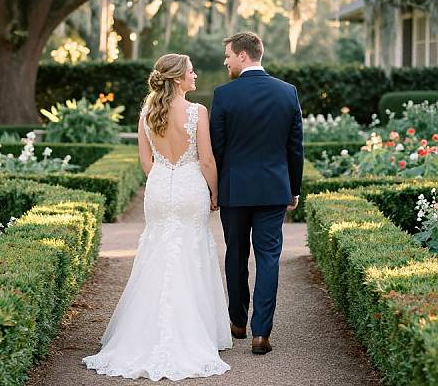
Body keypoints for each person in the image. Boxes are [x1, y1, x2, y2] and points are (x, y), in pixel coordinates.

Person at [82, 53, 232, 381]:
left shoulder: (148, 112)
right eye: (191, 72)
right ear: (178, 78)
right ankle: (192, 332)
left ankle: (142, 331)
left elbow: (146, 162)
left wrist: (165, 177)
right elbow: (206, 159)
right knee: (192, 250)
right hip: (192, 186)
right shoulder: (197, 112)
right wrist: (216, 193)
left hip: (160, 187)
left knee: (157, 251)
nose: (195, 77)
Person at [210, 31, 304, 355]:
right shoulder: (287, 93)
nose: (225, 61)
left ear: (242, 55)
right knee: (268, 259)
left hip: (234, 191)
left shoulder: (223, 95)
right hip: (274, 190)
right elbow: (295, 148)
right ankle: (261, 333)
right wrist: (293, 189)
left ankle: (237, 322)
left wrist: (215, 189)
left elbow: (216, 150)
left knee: (235, 255)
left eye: (227, 55)